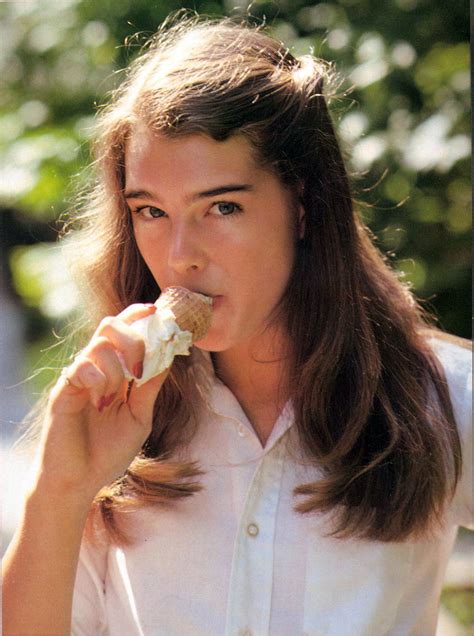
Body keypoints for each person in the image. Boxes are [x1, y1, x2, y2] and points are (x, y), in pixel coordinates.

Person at [3, 13, 472, 636]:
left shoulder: (439, 397)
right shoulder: (111, 412)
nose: (179, 255)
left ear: (302, 207)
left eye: (222, 206)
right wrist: (60, 491)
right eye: (150, 211)